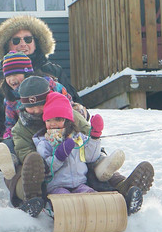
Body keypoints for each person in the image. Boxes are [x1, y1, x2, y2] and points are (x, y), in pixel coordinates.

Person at [10, 78, 152, 217]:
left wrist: (94, 136)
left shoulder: (67, 113)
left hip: (79, 170)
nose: (35, 110)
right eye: (30, 107)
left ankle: (123, 190)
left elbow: (85, 136)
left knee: (94, 176)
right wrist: (48, 160)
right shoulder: (27, 132)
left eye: (40, 105)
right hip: (48, 173)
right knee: (34, 173)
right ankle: (34, 200)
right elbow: (25, 152)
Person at [0, 15, 79, 174]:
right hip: (19, 139)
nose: (23, 44)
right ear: (7, 45)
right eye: (16, 40)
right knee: (20, 165)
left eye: (28, 39)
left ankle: (102, 172)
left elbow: (73, 105)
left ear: (37, 42)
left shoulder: (53, 73)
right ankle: (26, 191)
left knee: (77, 149)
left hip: (57, 131)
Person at [34, 92, 105, 195]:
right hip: (56, 186)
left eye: (58, 119)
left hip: (80, 183)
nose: (52, 123)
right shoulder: (44, 143)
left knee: (90, 195)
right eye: (48, 120)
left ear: (67, 121)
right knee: (64, 198)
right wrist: (59, 157)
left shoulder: (78, 137)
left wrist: (94, 137)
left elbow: (90, 157)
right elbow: (46, 170)